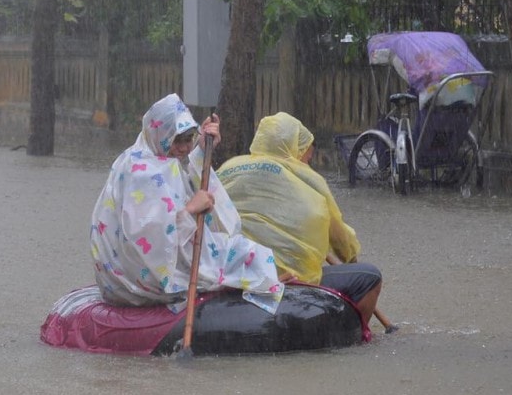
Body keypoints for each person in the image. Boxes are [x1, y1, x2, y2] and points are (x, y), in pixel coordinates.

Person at [91, 94, 284, 314]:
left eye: (188, 139)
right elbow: (148, 234)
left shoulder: (144, 158)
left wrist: (202, 150)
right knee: (249, 254)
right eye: (177, 140)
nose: (184, 148)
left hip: (140, 270)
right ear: (160, 135)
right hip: (141, 278)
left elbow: (177, 194)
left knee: (240, 252)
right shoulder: (143, 171)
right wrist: (191, 209)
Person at [216, 112, 389, 332]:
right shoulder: (309, 180)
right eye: (307, 155)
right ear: (293, 149)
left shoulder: (228, 167)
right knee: (370, 278)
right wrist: (351, 256)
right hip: (288, 281)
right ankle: (355, 337)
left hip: (230, 275)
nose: (308, 161)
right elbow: (343, 242)